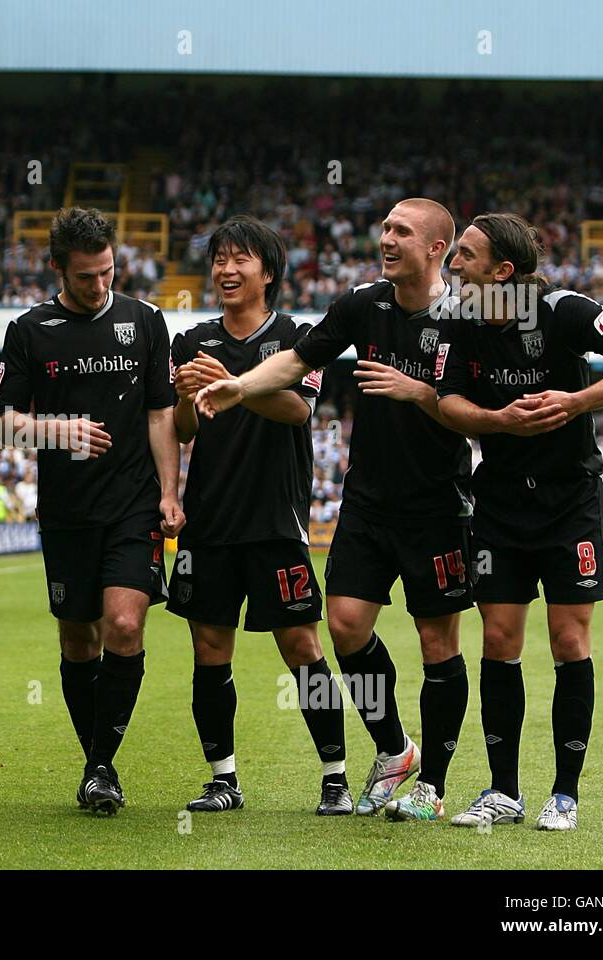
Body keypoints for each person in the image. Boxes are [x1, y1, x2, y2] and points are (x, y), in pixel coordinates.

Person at [197, 199, 475, 820]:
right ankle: (395, 747)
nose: (387, 238)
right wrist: (240, 385)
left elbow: (477, 407)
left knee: (437, 640)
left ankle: (432, 782)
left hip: (438, 503)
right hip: (367, 499)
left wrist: (419, 392)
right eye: (384, 228)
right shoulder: (362, 304)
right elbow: (299, 360)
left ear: (435, 249)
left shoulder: (465, 317)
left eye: (401, 231)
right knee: (346, 627)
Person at [437, 212, 603, 831]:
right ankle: (502, 791)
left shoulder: (565, 310)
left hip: (569, 503)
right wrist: (499, 421)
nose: (453, 264)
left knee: (569, 641)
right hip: (501, 503)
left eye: (465, 255)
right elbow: (447, 402)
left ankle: (564, 793)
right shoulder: (459, 321)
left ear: (502, 271)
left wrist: (578, 401)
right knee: (499, 641)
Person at [0, 207, 183, 814]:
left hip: (132, 505)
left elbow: (161, 414)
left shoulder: (146, 321)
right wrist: (61, 431)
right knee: (80, 640)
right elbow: (7, 428)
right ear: (57, 268)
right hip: (67, 512)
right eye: (85, 278)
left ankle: (100, 766)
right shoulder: (30, 331)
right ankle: (99, 764)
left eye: (107, 273)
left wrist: (169, 491)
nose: (100, 287)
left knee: (124, 625)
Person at [170, 216, 349, 815]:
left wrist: (235, 384)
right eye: (220, 258)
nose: (225, 269)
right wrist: (187, 396)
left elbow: (298, 410)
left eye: (240, 259)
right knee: (208, 646)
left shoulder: (299, 339)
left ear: (267, 273)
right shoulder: (191, 340)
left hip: (275, 519)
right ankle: (223, 779)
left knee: (300, 644)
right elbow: (185, 428)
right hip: (210, 521)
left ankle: (336, 776)